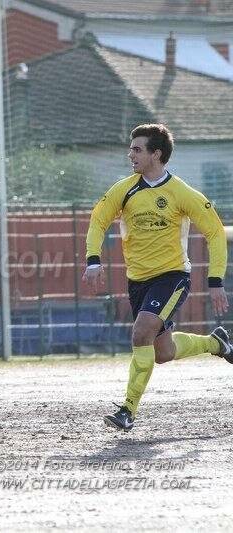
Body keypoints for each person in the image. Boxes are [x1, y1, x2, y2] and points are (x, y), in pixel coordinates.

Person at [83, 123, 231, 432]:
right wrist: (93, 259)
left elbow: (215, 233)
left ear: (156, 154)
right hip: (138, 281)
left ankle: (128, 409)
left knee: (140, 334)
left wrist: (215, 280)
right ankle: (216, 344)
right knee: (163, 352)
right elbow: (98, 220)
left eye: (137, 149)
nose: (130, 154)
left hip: (173, 276)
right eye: (131, 148)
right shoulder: (124, 189)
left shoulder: (181, 193)